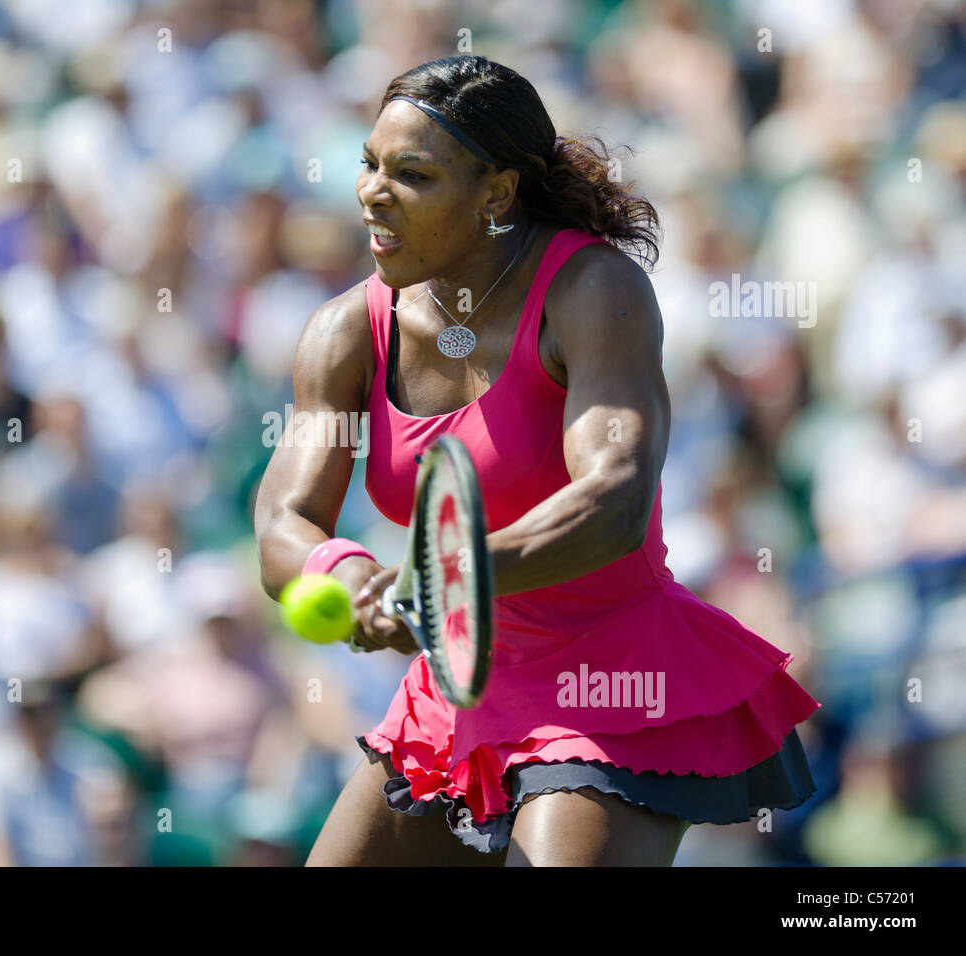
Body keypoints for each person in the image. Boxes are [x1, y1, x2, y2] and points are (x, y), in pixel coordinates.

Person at [254, 56, 820, 866]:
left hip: (612, 685)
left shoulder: (595, 291)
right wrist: (344, 575)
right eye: (369, 164)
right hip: (455, 694)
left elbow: (614, 500)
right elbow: (283, 523)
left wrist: (453, 577)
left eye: (412, 174)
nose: (374, 193)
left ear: (497, 193)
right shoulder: (344, 332)